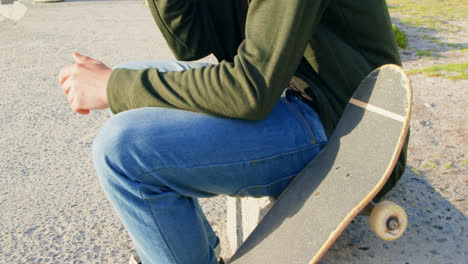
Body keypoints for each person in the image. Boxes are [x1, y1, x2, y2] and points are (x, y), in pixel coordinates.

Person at [59, 0, 408, 263]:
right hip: (291, 95)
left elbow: (250, 88)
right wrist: (120, 84)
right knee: (132, 84)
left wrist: (114, 86)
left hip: (348, 129)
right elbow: (191, 42)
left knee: (123, 150)